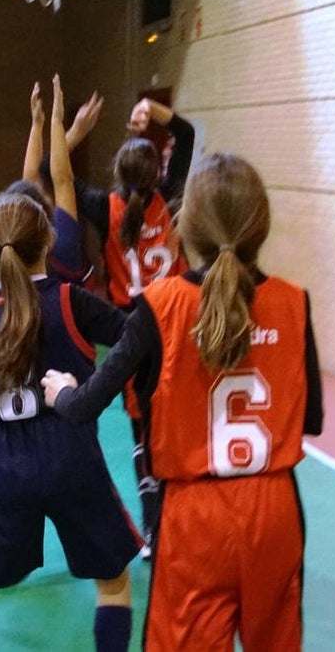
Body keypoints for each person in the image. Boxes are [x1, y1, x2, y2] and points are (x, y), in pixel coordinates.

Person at [43, 153, 324, 652]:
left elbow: (84, 405)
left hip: (196, 516)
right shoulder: (293, 303)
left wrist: (62, 389)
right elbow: (312, 419)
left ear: (185, 226)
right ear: (261, 226)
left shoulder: (162, 304)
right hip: (276, 508)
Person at [0, 192, 141, 652]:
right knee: (114, 584)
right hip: (74, 460)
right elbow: (134, 340)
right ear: (49, 242)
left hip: (5, 465)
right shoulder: (69, 301)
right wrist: (89, 390)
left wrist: (9, 433)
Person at [73, 95, 195, 555]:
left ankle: (153, 530)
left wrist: (77, 132)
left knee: (141, 431)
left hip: (132, 328)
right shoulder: (172, 197)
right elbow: (185, 134)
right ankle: (184, 518)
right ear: (160, 173)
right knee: (178, 421)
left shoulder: (105, 208)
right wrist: (150, 109)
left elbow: (52, 171)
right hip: (178, 321)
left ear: (118, 175)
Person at [17, 75, 102, 285]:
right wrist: (57, 121)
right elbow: (62, 179)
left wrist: (38, 124)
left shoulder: (19, 247)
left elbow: (30, 180)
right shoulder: (62, 245)